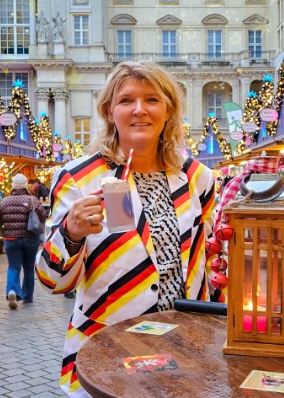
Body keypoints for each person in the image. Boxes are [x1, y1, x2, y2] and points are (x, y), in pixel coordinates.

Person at [36, 61, 216, 397]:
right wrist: (71, 234)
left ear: (169, 110)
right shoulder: (77, 177)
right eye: (126, 100)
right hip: (108, 346)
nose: (139, 110)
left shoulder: (198, 178)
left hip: (186, 344)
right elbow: (51, 281)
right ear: (108, 111)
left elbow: (203, 261)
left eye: (152, 99)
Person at [0, 173, 47, 309]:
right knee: (29, 268)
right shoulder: (32, 200)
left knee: (13, 267)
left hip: (11, 240)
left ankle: (12, 290)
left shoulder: (4, 202)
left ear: (13, 187)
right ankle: (27, 296)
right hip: (30, 239)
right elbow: (43, 215)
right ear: (25, 186)